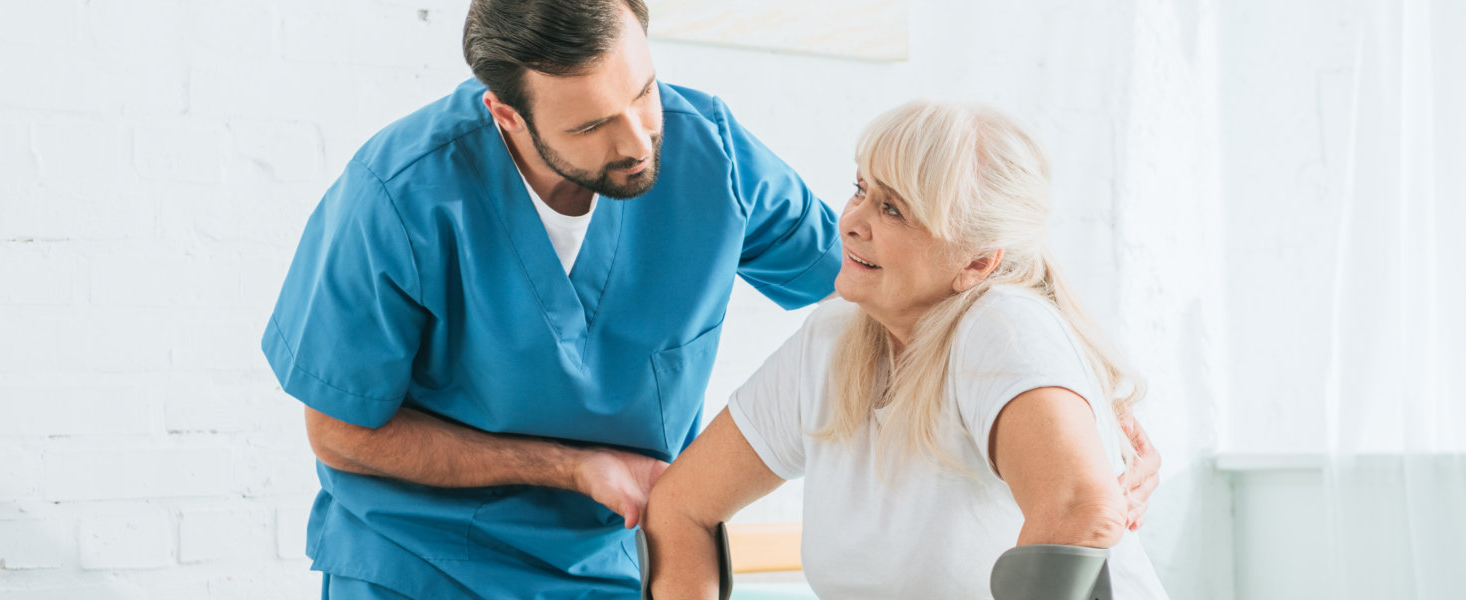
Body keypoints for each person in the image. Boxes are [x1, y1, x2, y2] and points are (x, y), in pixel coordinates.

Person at [261, 0, 1164, 597]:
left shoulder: (706, 152)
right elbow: (341, 429)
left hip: (611, 562)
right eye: (590, 124)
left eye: (644, 90)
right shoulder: (400, 197)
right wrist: (574, 468)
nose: (640, 136)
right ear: (507, 117)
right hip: (424, 569)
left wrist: (1083, 392)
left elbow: (900, 270)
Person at [641, 101, 1171, 599]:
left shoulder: (1001, 327)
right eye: (861, 189)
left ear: (977, 264)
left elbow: (1083, 510)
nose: (850, 221)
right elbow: (680, 506)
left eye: (892, 209)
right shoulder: (831, 340)